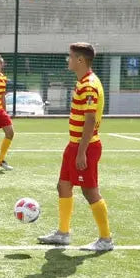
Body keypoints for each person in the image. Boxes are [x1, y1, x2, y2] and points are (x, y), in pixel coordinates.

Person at [37, 42, 114, 253]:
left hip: (85, 147)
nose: (67, 60)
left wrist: (81, 152)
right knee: (63, 185)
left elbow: (90, 120)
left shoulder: (89, 84)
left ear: (80, 60)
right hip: (74, 145)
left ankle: (105, 239)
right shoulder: (82, 82)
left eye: (70, 57)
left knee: (90, 192)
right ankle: (63, 233)